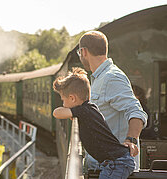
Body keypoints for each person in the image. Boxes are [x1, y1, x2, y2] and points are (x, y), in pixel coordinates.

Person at [77, 31, 148, 171]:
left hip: (113, 169)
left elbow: (136, 111)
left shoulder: (112, 77)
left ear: (83, 51)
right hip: (101, 166)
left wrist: (131, 140)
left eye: (79, 54)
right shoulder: (99, 79)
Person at [53, 67, 135, 179]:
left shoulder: (84, 111)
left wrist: (71, 113)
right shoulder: (88, 109)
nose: (63, 104)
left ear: (72, 98)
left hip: (116, 163)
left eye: (63, 99)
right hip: (115, 161)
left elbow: (56, 113)